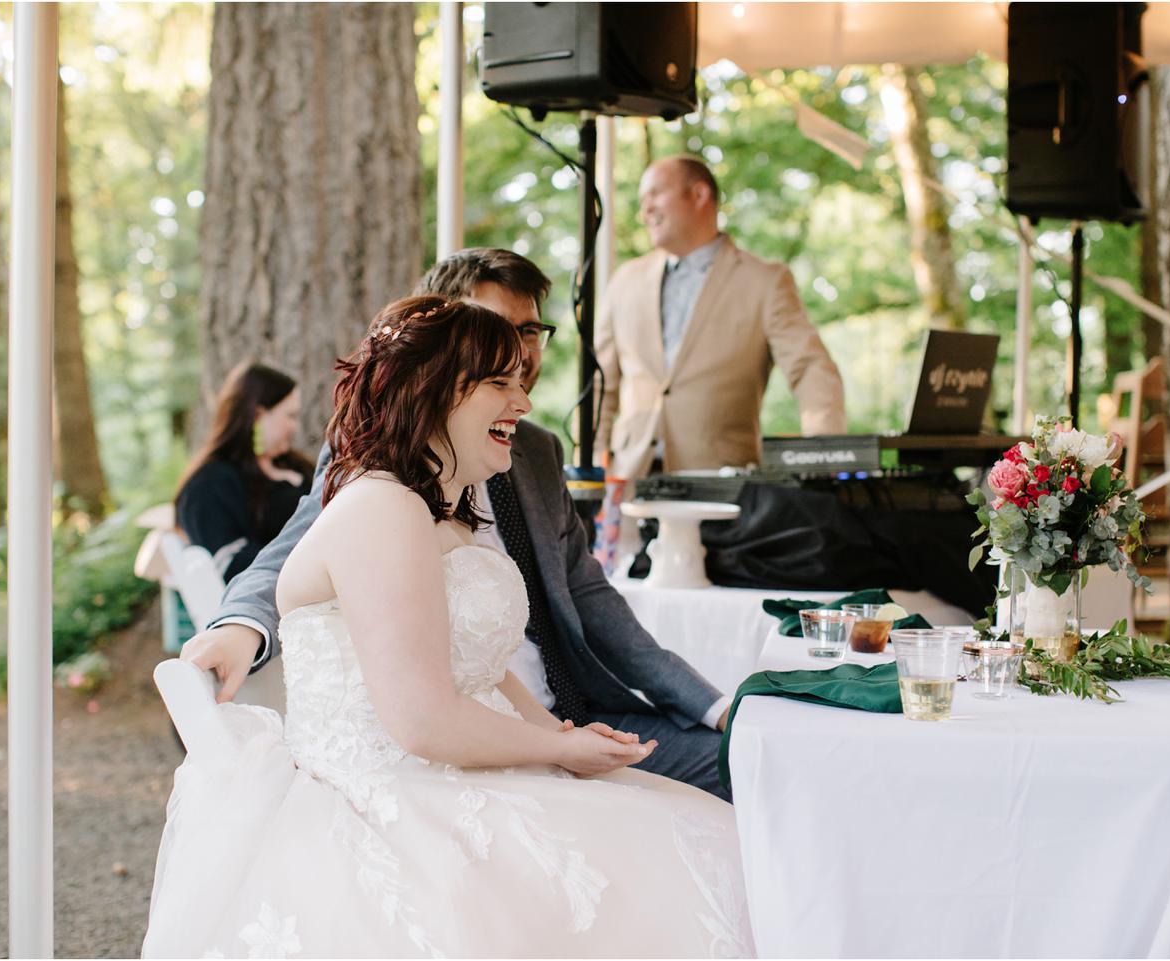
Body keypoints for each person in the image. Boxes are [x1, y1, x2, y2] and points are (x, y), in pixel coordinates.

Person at [143, 298, 753, 958]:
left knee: (697, 830)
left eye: (521, 381)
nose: (521, 401)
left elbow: (481, 669)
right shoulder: (379, 507)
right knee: (689, 857)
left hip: (467, 768)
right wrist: (559, 753)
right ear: (432, 391)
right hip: (397, 792)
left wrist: (564, 734)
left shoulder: (450, 515)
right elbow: (421, 721)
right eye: (499, 383)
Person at [183, 248, 733, 800]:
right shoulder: (377, 490)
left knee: (739, 766)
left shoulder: (523, 458)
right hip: (423, 778)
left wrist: (705, 706)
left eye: (529, 333)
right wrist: (239, 629)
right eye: (497, 360)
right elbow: (299, 549)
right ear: (438, 364)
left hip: (558, 712)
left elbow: (588, 595)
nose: (522, 373)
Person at [596, 154, 847, 480]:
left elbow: (810, 367)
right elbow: (600, 383)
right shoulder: (623, 281)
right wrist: (587, 467)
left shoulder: (766, 281)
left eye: (656, 194)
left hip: (723, 483)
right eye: (642, 201)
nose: (646, 211)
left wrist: (824, 454)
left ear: (699, 195)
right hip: (627, 482)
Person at [174, 362, 313, 582]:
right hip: (281, 599)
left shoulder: (296, 465)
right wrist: (314, 561)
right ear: (258, 415)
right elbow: (232, 564)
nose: (295, 427)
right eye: (290, 416)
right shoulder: (209, 484)